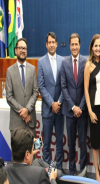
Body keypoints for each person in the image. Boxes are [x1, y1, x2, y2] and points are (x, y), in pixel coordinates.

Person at [84, 34, 100, 184]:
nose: (98, 48)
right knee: (95, 142)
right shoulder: (88, 65)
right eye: (96, 46)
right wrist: (90, 111)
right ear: (92, 48)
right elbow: (86, 90)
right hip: (94, 109)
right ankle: (96, 173)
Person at [61, 33, 88, 176]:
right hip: (70, 112)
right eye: (72, 44)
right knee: (71, 144)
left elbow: (86, 87)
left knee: (83, 144)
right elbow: (63, 87)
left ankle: (83, 170)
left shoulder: (85, 62)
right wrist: (73, 107)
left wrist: (80, 107)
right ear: (69, 46)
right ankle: (72, 171)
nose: (74, 47)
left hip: (82, 111)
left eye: (76, 44)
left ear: (80, 45)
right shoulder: (64, 63)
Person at [37, 32, 65, 170]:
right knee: (46, 143)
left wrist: (58, 103)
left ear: (57, 44)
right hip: (48, 110)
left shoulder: (63, 61)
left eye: (54, 42)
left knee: (59, 142)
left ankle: (58, 169)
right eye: (50, 42)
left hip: (60, 110)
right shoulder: (40, 62)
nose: (52, 44)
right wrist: (51, 103)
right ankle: (46, 170)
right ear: (46, 44)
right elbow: (41, 86)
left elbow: (63, 85)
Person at [6, 38, 39, 137]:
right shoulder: (10, 71)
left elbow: (36, 92)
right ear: (16, 50)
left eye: (24, 48)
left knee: (31, 150)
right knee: (16, 152)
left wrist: (27, 110)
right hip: (16, 123)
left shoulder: (32, 69)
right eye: (20, 48)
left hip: (30, 122)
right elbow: (9, 97)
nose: (22, 50)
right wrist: (23, 112)